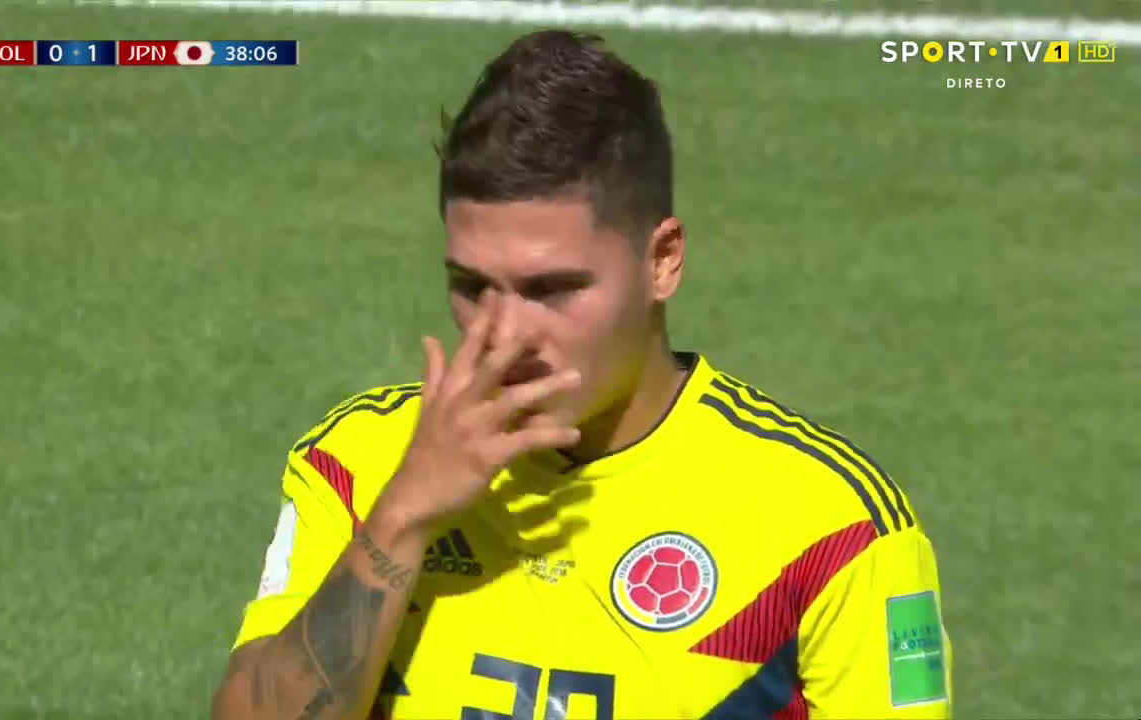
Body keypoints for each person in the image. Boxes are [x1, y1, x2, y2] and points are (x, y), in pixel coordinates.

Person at [211, 29, 952, 720]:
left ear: (661, 261)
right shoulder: (358, 462)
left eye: (551, 289)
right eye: (471, 286)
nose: (504, 335)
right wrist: (403, 517)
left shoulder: (832, 527)